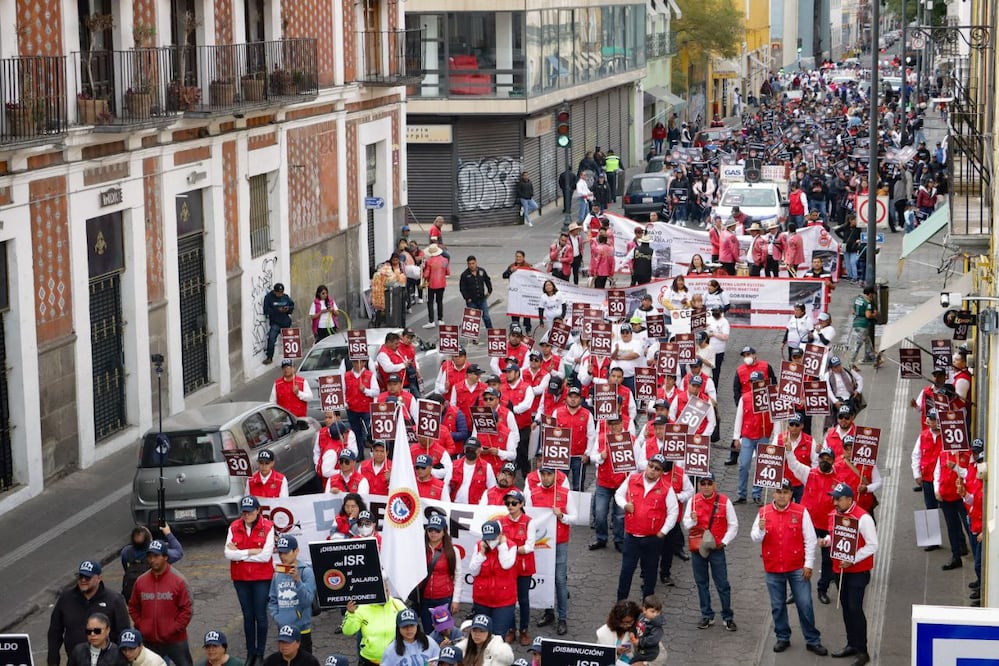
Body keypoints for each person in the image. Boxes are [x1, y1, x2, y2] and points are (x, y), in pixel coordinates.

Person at [749, 479, 828, 656]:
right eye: (779, 491)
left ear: (791, 494)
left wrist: (808, 564)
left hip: (796, 568)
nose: (782, 495)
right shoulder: (763, 512)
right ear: (773, 493)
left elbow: (809, 540)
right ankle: (782, 637)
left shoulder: (801, 512)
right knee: (777, 605)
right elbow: (755, 538)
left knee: (805, 604)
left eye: (785, 492)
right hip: (773, 567)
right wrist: (761, 530)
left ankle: (812, 640)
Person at [820, 484, 878, 665]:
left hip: (857, 571)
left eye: (838, 499)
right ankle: (851, 643)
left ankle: (862, 650)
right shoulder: (836, 514)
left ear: (849, 499)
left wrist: (853, 558)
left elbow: (872, 545)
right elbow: (835, 536)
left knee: (855, 608)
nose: (834, 502)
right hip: (840, 569)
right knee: (845, 606)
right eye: (834, 498)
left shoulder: (863, 518)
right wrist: (827, 541)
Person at [615, 454, 680, 601]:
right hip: (632, 536)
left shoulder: (666, 488)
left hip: (652, 538)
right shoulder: (632, 479)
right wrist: (625, 505)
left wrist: (663, 532)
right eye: (651, 466)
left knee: (651, 572)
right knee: (626, 570)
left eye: (657, 469)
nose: (652, 470)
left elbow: (673, 511)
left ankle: (647, 605)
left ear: (662, 472)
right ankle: (621, 601)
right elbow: (618, 494)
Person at [47, 560, 131, 666]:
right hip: (75, 661)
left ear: (99, 578)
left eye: (87, 577)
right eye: (80, 576)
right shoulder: (66, 598)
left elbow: (123, 633)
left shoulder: (114, 600)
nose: (83, 580)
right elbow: (54, 633)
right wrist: (53, 662)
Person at [683, 472, 738, 632]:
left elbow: (733, 525)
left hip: (716, 549)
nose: (706, 486)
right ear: (698, 485)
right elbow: (686, 524)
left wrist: (724, 542)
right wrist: (692, 519)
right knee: (701, 583)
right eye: (703, 483)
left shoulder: (724, 502)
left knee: (722, 584)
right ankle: (707, 615)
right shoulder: (693, 501)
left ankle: (727, 616)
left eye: (709, 483)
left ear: (715, 484)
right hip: (698, 548)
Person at [224, 496, 275, 666]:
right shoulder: (234, 526)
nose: (247, 515)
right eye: (244, 512)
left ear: (258, 510)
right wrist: (250, 552)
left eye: (250, 512)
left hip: (261, 578)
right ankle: (250, 653)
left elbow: (265, 556)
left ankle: (259, 653)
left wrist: (239, 553)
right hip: (241, 578)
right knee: (247, 616)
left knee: (260, 616)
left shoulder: (268, 527)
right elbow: (227, 554)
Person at [525, 466, 574, 635]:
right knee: (544, 577)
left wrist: (562, 516)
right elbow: (529, 517)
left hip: (560, 542)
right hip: (542, 543)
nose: (546, 478)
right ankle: (548, 612)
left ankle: (562, 618)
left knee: (560, 579)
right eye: (543, 474)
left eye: (549, 474)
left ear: (555, 475)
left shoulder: (565, 493)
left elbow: (575, 517)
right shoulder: (532, 493)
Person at [128, 540, 194, 666]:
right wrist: (142, 625)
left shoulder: (178, 581)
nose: (152, 560)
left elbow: (187, 609)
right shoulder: (140, 581)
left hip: (176, 640)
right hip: (149, 641)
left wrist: (174, 628)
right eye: (150, 556)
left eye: (156, 556)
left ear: (166, 557)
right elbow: (133, 607)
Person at [468, 521, 518, 639]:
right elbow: (473, 571)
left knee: (497, 637)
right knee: (481, 637)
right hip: (482, 599)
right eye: (487, 538)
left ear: (500, 534)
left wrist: (502, 546)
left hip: (503, 601)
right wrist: (481, 553)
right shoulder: (479, 545)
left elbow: (506, 564)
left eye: (493, 537)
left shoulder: (511, 546)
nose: (490, 541)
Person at [268, 536, 317, 653]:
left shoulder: (306, 571)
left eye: (286, 552)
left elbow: (307, 601)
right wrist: (277, 617)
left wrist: (297, 580)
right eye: (280, 553)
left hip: (302, 629)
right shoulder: (278, 573)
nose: (282, 556)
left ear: (296, 551)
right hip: (283, 629)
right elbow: (273, 599)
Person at [415, 513, 463, 632]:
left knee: (443, 632)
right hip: (424, 598)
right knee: (427, 631)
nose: (433, 533)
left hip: (443, 599)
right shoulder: (419, 549)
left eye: (437, 530)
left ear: (444, 531)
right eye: (430, 529)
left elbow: (458, 576)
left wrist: (456, 600)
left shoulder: (452, 551)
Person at [120, 524, 184, 604]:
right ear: (150, 540)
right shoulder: (157, 555)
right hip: (155, 596)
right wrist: (168, 533)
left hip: (134, 596)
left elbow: (125, 568)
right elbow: (179, 552)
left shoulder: (125, 552)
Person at [343, 592, 409, 666]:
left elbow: (410, 626)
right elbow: (348, 631)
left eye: (386, 590)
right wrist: (351, 614)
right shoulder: (362, 607)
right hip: (370, 660)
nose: (384, 594)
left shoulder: (397, 604)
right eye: (381, 590)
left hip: (395, 659)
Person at [502, 251, 533, 334]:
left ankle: (528, 329)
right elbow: (504, 275)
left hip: (525, 293)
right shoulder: (512, 266)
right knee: (515, 312)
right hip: (515, 294)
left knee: (526, 312)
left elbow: (533, 278)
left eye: (519, 256)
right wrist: (511, 271)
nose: (518, 258)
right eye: (516, 256)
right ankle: (516, 329)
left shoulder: (528, 266)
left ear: (523, 257)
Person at [262, 283, 294, 364]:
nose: (280, 294)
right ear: (275, 292)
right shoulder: (269, 298)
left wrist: (288, 309)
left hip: (285, 322)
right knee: (271, 339)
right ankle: (269, 357)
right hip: (275, 323)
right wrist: (277, 310)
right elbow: (266, 311)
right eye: (279, 293)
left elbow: (292, 306)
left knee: (289, 341)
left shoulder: (285, 297)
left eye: (282, 292)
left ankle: (290, 359)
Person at [459, 256, 494, 330]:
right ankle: (473, 338)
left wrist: (489, 291)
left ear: (476, 263)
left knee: (486, 317)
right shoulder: (464, 275)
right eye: (469, 264)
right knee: (473, 319)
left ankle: (491, 333)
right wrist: (467, 298)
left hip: (482, 299)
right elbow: (462, 288)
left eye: (473, 263)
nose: (471, 265)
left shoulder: (482, 271)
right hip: (471, 301)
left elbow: (487, 281)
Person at [629, 595, 665, 666]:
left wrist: (639, 642)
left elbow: (652, 640)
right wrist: (632, 632)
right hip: (640, 651)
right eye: (653, 611)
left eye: (658, 612)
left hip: (649, 654)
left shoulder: (657, 626)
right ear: (644, 610)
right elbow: (635, 625)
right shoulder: (641, 617)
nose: (655, 614)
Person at [422, 244, 450, 327]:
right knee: (439, 301)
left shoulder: (429, 261)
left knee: (430, 302)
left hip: (432, 284)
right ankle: (440, 319)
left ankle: (431, 321)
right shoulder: (445, 260)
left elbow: (426, 274)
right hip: (441, 284)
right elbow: (447, 272)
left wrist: (423, 270)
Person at [849, 286, 879, 365]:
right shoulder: (867, 303)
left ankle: (874, 359)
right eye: (872, 294)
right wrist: (874, 314)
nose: (872, 296)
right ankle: (850, 363)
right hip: (863, 325)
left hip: (856, 323)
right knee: (857, 345)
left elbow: (853, 311)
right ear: (869, 294)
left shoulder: (857, 299)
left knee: (868, 342)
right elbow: (868, 315)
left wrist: (859, 314)